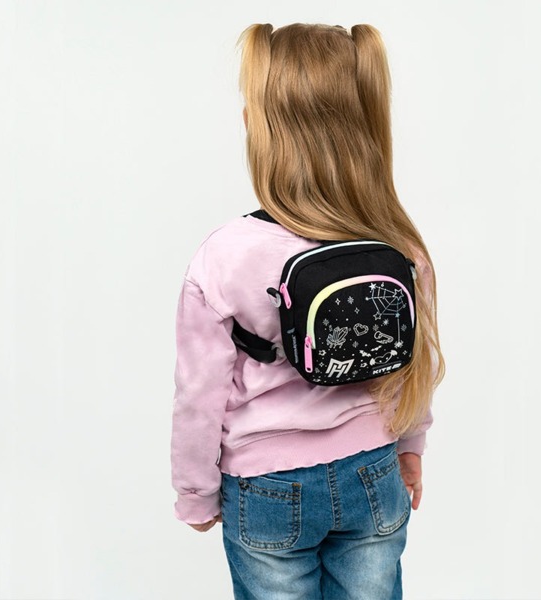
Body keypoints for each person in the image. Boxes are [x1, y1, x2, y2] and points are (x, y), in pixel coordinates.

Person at [170, 22, 446, 600]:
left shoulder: (225, 255)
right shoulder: (397, 244)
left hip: (266, 485)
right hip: (373, 469)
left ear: (260, 128)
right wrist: (411, 446)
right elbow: (412, 362)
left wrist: (195, 492)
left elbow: (198, 393)